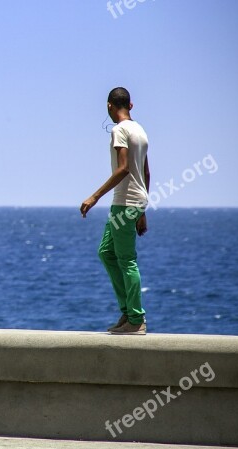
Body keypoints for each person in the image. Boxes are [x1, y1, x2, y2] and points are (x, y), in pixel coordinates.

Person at [80, 87, 150, 335]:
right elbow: (146, 172)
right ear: (130, 105)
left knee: (127, 260)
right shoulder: (140, 130)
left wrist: (94, 196)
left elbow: (123, 169)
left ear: (110, 106)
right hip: (135, 201)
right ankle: (127, 311)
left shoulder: (120, 130)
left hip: (124, 201)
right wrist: (142, 211)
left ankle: (136, 318)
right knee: (106, 252)